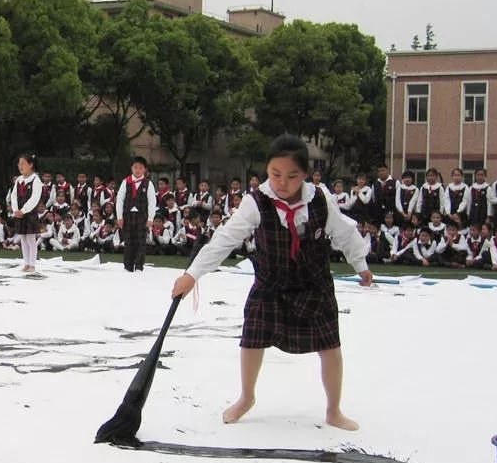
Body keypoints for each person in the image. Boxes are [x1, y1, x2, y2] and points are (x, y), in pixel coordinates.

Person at [170, 135, 371, 431]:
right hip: (271, 282)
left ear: (304, 174)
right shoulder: (256, 202)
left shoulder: (320, 199)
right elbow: (225, 239)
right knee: (252, 340)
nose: (282, 182)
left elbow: (345, 233)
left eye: (291, 176)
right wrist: (192, 274)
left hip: (314, 284)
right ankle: (246, 397)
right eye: (275, 174)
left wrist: (361, 265)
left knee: (330, 347)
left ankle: (333, 410)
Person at [115, 156, 158, 273]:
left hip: (142, 217)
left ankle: (139, 266)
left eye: (140, 168)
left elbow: (152, 202)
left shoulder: (148, 184)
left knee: (141, 242)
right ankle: (127, 266)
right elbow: (120, 200)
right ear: (131, 168)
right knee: (128, 242)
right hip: (128, 216)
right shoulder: (126, 182)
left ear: (145, 170)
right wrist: (119, 217)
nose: (137, 170)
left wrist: (150, 218)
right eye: (135, 167)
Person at [8, 154, 43, 273]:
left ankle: (32, 264)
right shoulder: (19, 180)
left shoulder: (35, 179)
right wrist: (15, 210)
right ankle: (26, 263)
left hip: (30, 213)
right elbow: (13, 196)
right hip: (19, 213)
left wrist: (23, 210)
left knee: (30, 238)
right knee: (22, 238)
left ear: (31, 165)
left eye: (23, 163)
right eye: (19, 164)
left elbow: (35, 198)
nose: (20, 166)